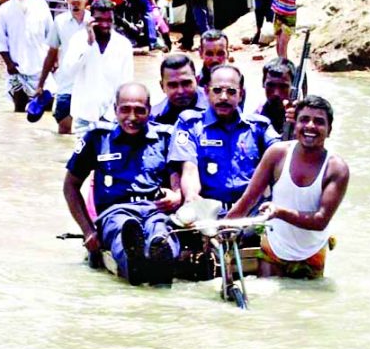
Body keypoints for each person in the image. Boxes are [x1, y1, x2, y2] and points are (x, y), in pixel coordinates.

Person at [63, 82, 183, 285]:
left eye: (140, 111)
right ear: (115, 109)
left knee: (161, 232)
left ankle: (161, 260)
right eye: (125, 110)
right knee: (124, 229)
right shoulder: (97, 138)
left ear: (149, 110)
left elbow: (179, 179)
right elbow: (70, 186)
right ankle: (133, 265)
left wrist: (176, 195)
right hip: (115, 212)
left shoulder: (166, 137)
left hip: (156, 210)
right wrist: (88, 231)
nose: (132, 118)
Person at [226, 95, 349, 279]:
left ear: (329, 130)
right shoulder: (277, 154)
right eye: (304, 120)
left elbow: (320, 221)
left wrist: (279, 212)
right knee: (269, 297)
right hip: (274, 248)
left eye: (319, 122)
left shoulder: (336, 168)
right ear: (295, 125)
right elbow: (248, 200)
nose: (310, 126)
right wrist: (222, 229)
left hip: (311, 253)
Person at [169, 64, 280, 210]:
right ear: (207, 92)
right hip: (210, 211)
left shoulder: (259, 127)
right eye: (217, 90)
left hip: (252, 212)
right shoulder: (190, 125)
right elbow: (189, 168)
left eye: (231, 92)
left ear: (241, 95)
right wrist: (191, 196)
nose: (223, 97)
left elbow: (282, 157)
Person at [59, 0, 134, 133]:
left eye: (108, 20)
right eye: (99, 19)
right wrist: (89, 43)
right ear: (91, 18)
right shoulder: (78, 40)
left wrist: (109, 116)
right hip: (84, 117)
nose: (105, 24)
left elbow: (126, 84)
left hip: (113, 119)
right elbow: (69, 71)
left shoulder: (123, 45)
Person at [35, 0, 90, 134]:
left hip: (89, 85)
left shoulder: (94, 23)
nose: (75, 0)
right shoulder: (60, 22)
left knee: (87, 131)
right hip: (66, 84)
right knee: (64, 130)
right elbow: (51, 54)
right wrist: (40, 84)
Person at [0, 0, 53, 112]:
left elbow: (52, 36)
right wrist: (9, 64)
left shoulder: (41, 5)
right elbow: (1, 42)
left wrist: (54, 62)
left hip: (42, 68)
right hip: (18, 69)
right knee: (20, 110)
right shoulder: (4, 10)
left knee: (47, 109)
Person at [149, 54, 208, 126]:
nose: (181, 91)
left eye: (186, 83)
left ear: (197, 80)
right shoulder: (154, 118)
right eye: (173, 85)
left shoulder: (215, 108)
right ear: (162, 86)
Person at [254, 57, 295, 133]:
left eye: (283, 87)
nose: (276, 93)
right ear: (263, 84)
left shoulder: (302, 117)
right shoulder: (256, 119)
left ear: (292, 87)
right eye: (271, 85)